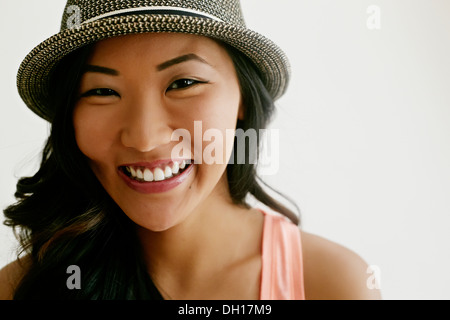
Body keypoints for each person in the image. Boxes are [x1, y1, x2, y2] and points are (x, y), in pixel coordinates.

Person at [0, 0, 381, 300]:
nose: (145, 139)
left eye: (183, 83)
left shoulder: (332, 285)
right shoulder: (24, 288)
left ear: (243, 97)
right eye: (102, 91)